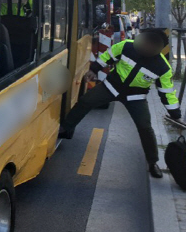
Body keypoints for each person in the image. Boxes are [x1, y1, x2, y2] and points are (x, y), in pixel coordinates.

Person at [59, 29, 181, 178]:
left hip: (135, 97)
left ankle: (152, 162)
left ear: (158, 49)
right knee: (86, 101)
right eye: (145, 44)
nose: (146, 48)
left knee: (145, 127)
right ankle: (65, 128)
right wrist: (94, 70)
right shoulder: (126, 46)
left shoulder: (163, 67)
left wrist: (175, 113)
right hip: (111, 87)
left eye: (151, 47)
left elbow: (166, 91)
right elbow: (108, 56)